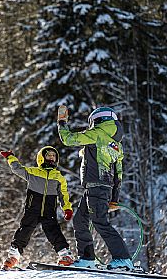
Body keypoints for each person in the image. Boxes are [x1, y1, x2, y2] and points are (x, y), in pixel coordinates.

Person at [57, 105, 134, 270]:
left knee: (100, 222)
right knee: (80, 220)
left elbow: (68, 139)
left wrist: (62, 122)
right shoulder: (115, 144)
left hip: (96, 186)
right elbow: (118, 174)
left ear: (96, 120)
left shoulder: (97, 134)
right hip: (99, 188)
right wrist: (114, 198)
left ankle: (123, 258)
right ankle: (87, 258)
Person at [0, 146, 74, 270]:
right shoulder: (33, 172)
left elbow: (64, 194)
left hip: (49, 210)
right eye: (48, 155)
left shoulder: (58, 177)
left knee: (54, 232)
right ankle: (13, 257)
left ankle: (65, 255)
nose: (51, 157)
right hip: (32, 209)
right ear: (41, 158)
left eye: (53, 156)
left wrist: (67, 208)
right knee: (24, 231)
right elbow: (18, 169)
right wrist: (10, 157)